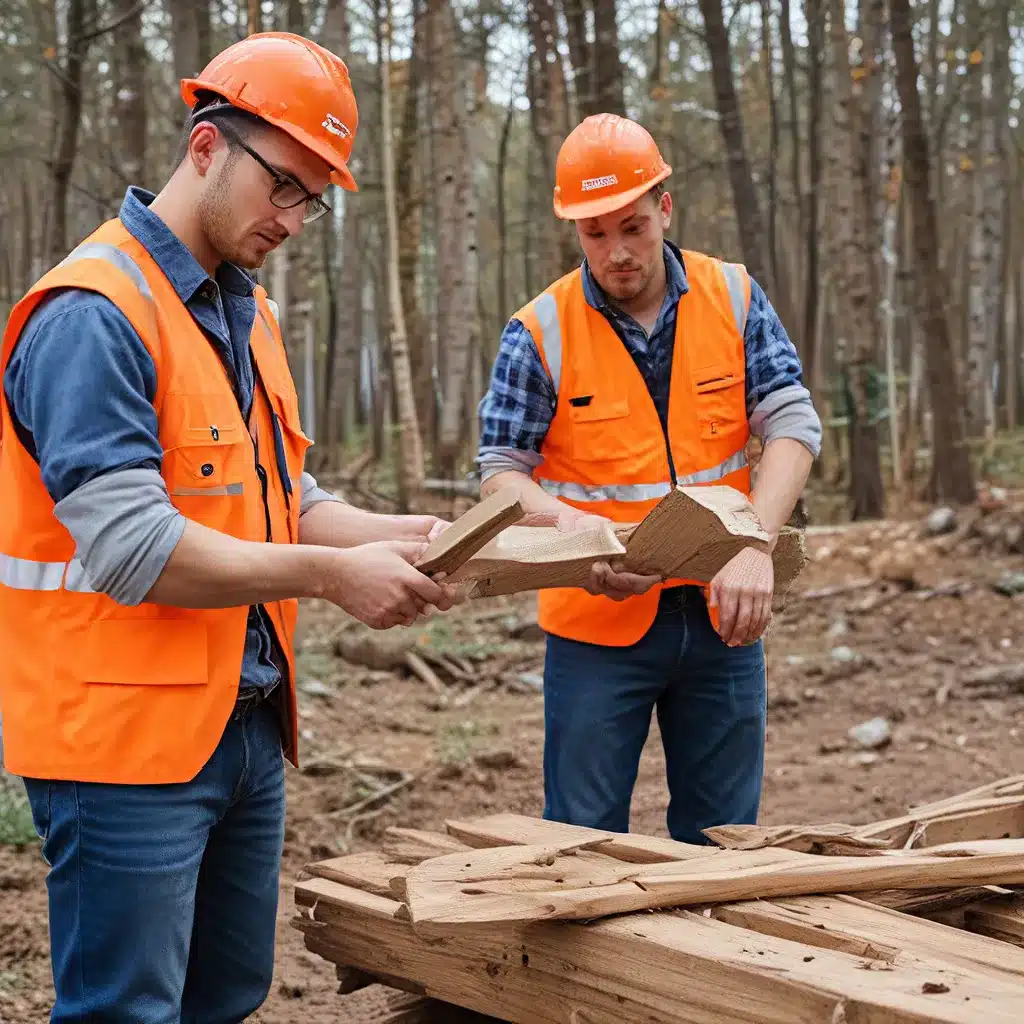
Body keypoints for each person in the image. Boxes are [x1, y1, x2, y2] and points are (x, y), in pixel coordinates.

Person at [0, 32, 455, 1024]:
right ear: (206, 146)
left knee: (225, 997)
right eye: (283, 184)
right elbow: (129, 545)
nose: (293, 217)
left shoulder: (244, 313)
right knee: (128, 1010)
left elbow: (278, 495)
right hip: (121, 745)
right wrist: (333, 578)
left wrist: (409, 534)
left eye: (312, 197)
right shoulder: (95, 314)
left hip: (240, 726)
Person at [477, 113, 820, 845]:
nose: (617, 252)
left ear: (665, 207)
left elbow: (793, 424)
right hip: (596, 626)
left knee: (725, 840)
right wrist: (572, 532)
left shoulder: (733, 296)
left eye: (631, 226)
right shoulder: (539, 329)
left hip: (724, 615)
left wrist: (752, 544)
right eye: (594, 234)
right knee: (578, 843)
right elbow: (501, 475)